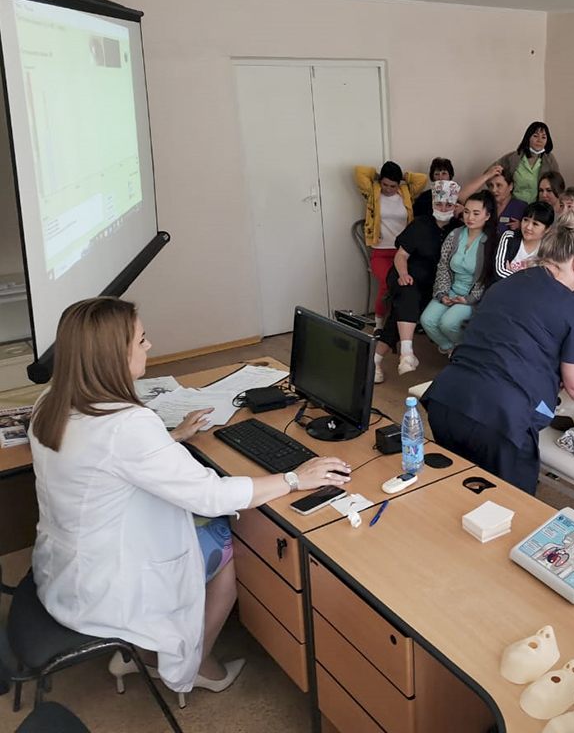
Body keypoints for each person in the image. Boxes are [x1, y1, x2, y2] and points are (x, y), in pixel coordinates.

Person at [27, 298, 350, 696]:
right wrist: (295, 478)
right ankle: (194, 663)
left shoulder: (51, 401)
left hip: (66, 569)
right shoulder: (126, 425)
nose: (149, 345)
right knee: (231, 542)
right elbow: (211, 496)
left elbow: (104, 462)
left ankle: (141, 652)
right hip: (111, 582)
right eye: (141, 340)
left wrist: (172, 437)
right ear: (113, 355)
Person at [423, 218, 574, 494]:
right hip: (500, 418)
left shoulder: (502, 286)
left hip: (447, 399)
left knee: (459, 493)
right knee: (512, 505)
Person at [373, 180, 460, 384]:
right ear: (433, 203)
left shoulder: (458, 228)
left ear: (455, 206)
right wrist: (403, 274)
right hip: (405, 274)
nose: (443, 209)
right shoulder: (420, 224)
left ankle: (375, 361)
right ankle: (407, 353)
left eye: (448, 205)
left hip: (432, 284)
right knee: (408, 292)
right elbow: (401, 255)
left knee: (400, 315)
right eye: (439, 204)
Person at [420, 190, 498, 353]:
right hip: (451, 289)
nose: (470, 217)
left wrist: (469, 299)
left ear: (488, 216)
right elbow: (443, 266)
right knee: (427, 320)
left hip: (473, 296)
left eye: (476, 213)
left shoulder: (492, 242)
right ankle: (454, 351)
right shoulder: (455, 234)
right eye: (467, 212)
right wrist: (442, 294)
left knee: (448, 323)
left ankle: (466, 353)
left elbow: (487, 277)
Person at [354, 161, 429, 329]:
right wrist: (378, 176)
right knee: (388, 283)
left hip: (404, 252)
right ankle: (379, 324)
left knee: (411, 283)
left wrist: (402, 177)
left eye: (392, 186)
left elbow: (422, 179)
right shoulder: (373, 192)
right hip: (380, 252)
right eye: (385, 184)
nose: (388, 189)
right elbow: (359, 172)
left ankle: (402, 322)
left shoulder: (406, 193)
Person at [494, 122, 560, 204]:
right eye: (535, 136)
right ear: (528, 138)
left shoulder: (550, 160)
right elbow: (490, 174)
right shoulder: (512, 158)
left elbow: (557, 184)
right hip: (512, 204)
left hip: (538, 206)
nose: (539, 140)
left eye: (543, 137)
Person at [458, 164, 528, 233]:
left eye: (499, 185)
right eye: (491, 185)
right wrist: (486, 176)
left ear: (510, 186)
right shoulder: (485, 203)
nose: (494, 190)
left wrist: (521, 226)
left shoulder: (521, 207)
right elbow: (461, 198)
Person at [495, 202, 556, 278]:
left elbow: (544, 279)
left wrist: (512, 276)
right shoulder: (509, 237)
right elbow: (500, 271)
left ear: (547, 228)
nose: (528, 227)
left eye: (535, 224)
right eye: (526, 220)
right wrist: (528, 279)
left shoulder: (548, 249)